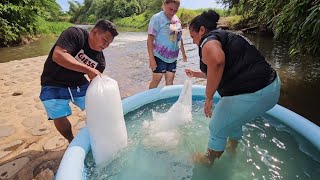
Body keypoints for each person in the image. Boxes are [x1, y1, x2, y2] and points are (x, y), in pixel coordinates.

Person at [185, 10, 281, 166]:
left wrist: (208, 97)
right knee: (233, 120)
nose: (194, 42)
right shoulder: (226, 37)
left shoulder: (207, 40)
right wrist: (196, 73)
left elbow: (217, 62)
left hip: (253, 91)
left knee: (216, 126)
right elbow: (220, 70)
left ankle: (208, 160)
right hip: (271, 87)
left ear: (202, 30)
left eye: (193, 37)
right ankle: (233, 147)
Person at [39, 20, 118, 143]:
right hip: (53, 81)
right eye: (104, 40)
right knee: (58, 114)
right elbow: (58, 55)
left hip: (78, 83)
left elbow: (95, 82)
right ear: (94, 32)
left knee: (98, 105)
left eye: (109, 43)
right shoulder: (75, 34)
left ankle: (98, 136)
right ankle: (71, 141)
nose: (106, 45)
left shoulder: (100, 61)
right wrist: (88, 69)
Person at [147, 0, 187, 89]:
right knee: (157, 79)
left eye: (175, 10)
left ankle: (168, 102)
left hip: (173, 57)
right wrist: (151, 58)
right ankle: (149, 99)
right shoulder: (157, 18)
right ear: (165, 4)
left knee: (170, 80)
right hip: (159, 55)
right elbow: (150, 39)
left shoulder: (177, 19)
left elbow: (179, 37)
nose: (172, 12)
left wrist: (183, 53)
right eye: (170, 9)